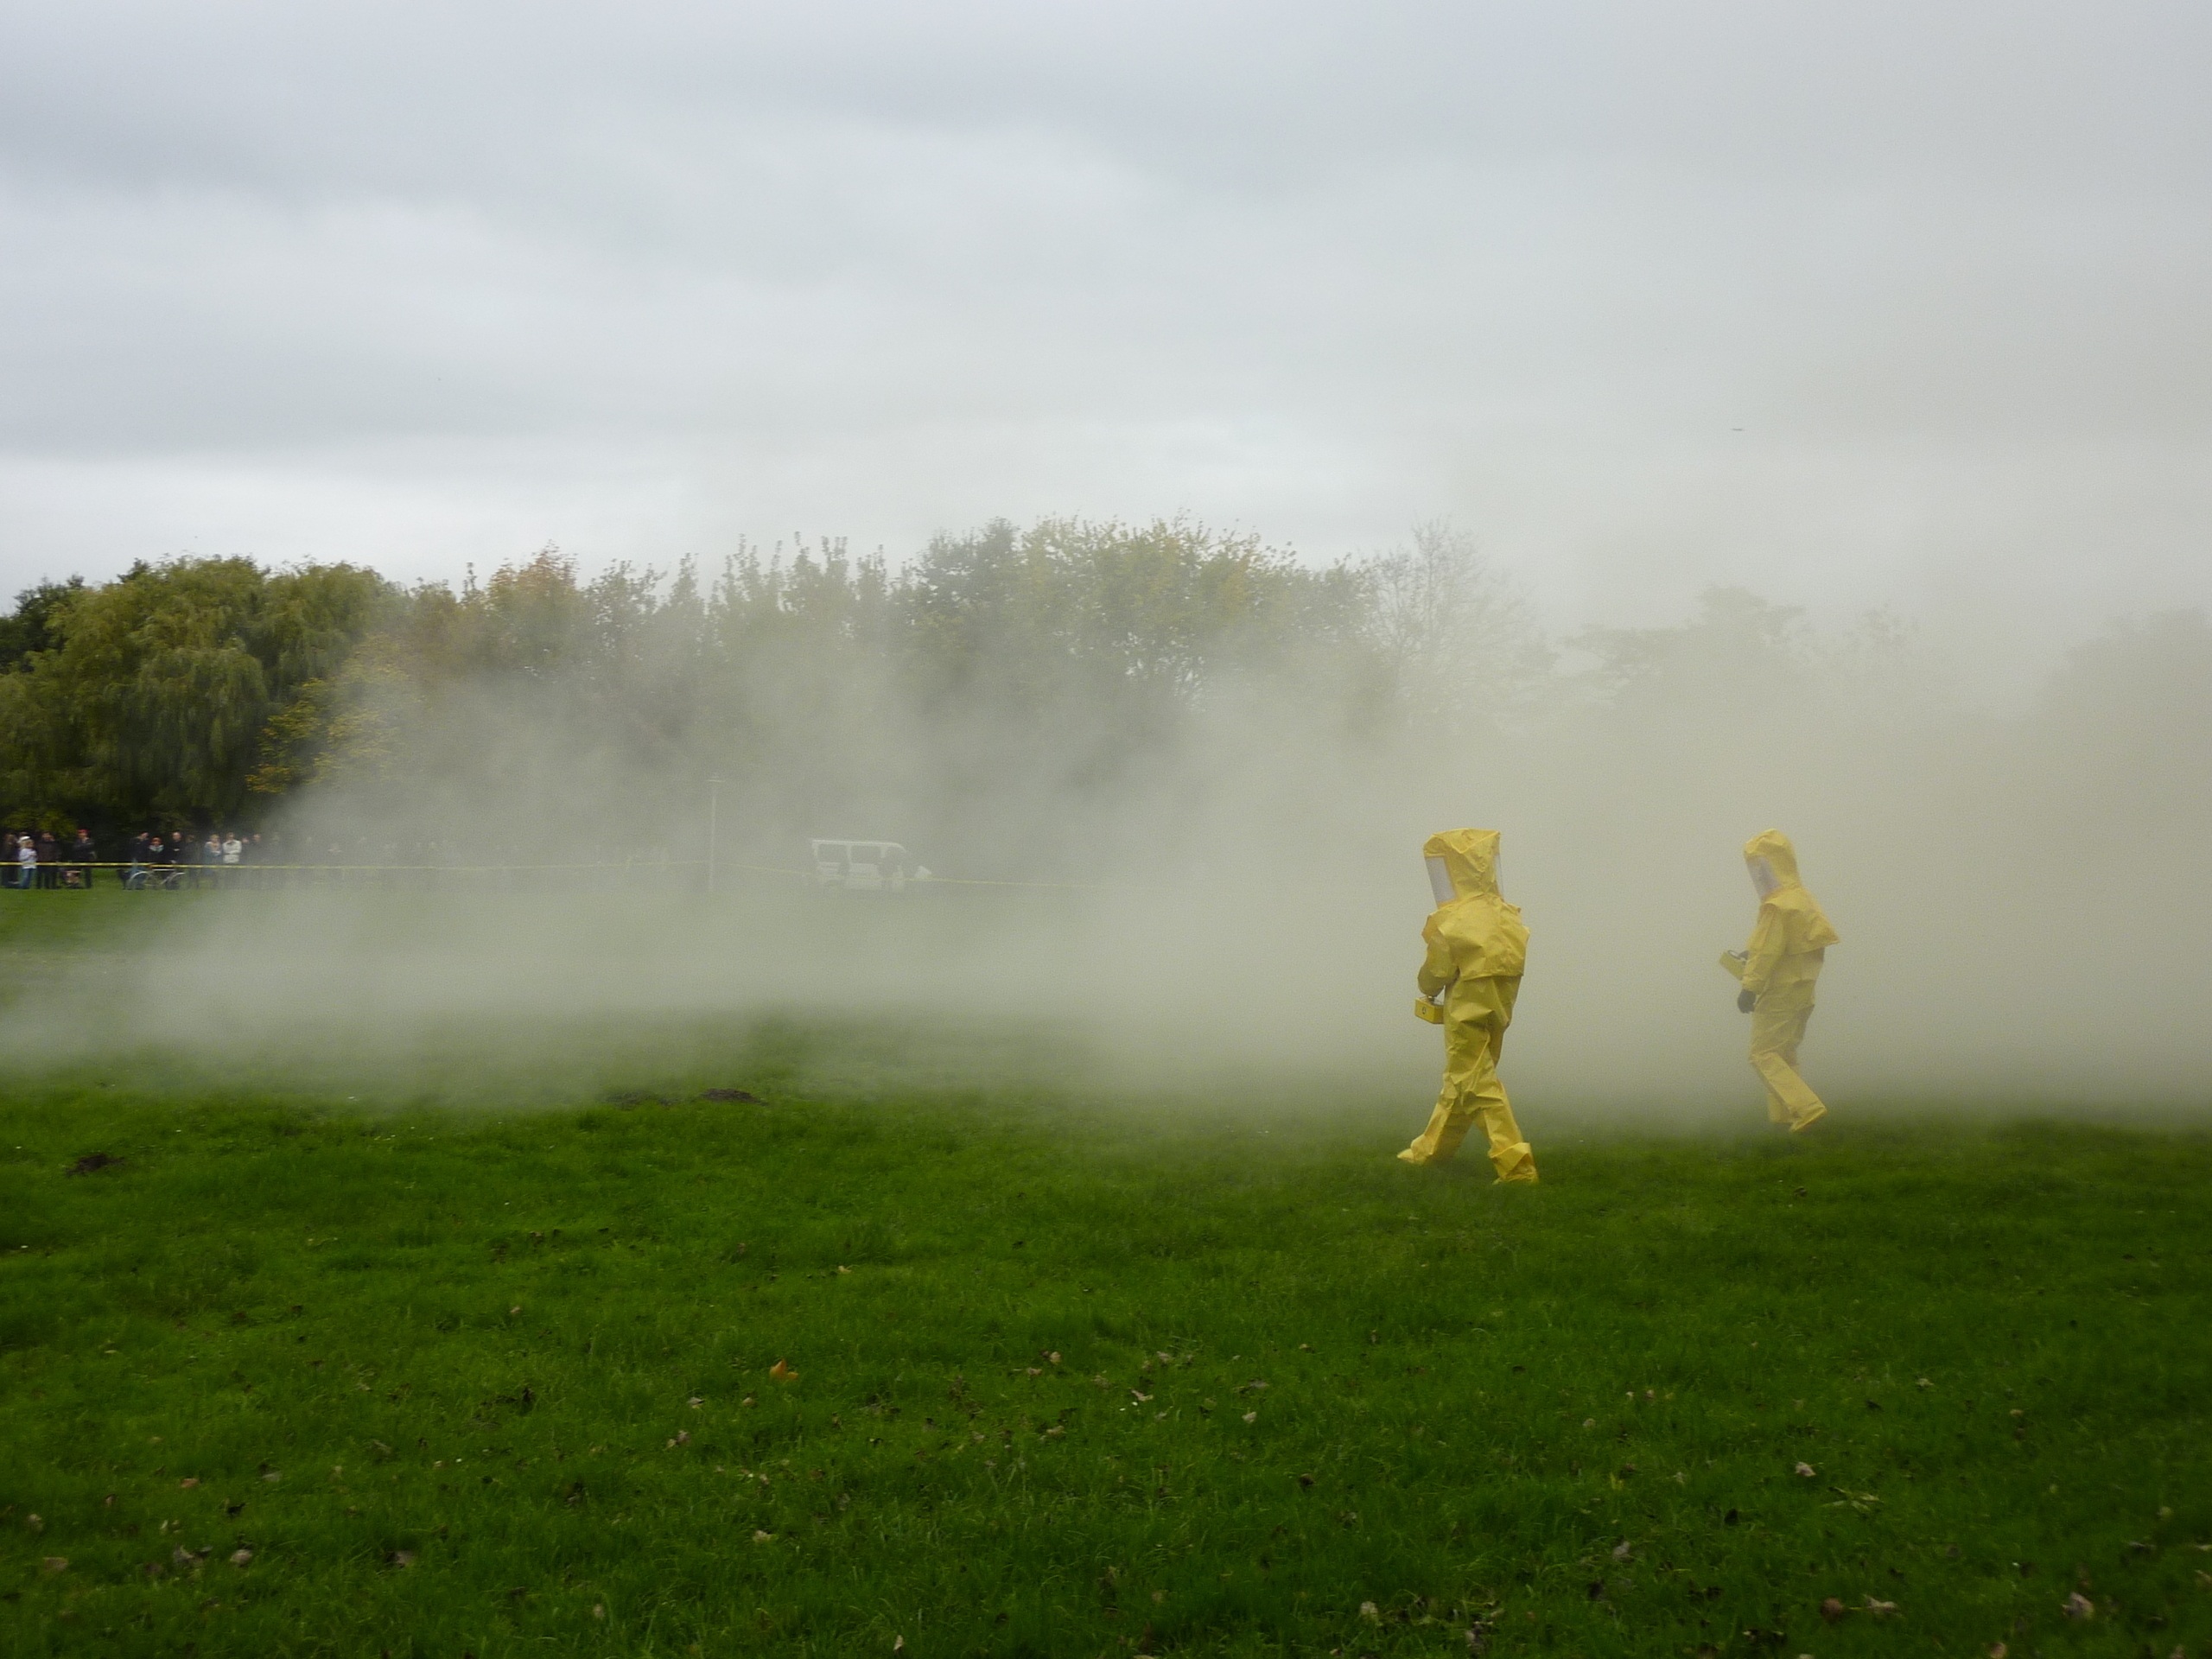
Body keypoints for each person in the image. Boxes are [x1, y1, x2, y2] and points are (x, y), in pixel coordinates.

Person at [1397, 828, 1538, 1182]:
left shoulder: (1453, 919)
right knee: (1464, 1077)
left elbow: (1436, 971)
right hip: (1500, 1007)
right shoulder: (1507, 915)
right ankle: (1431, 1150)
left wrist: (1426, 987)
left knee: (1475, 1082)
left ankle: (1516, 1165)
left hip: (1467, 1008)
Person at [1719, 829, 1839, 1134]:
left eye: (1760, 867)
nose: (1758, 875)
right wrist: (1756, 953)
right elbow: (1792, 943)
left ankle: (1806, 1108)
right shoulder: (1802, 899)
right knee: (1784, 1053)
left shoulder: (1776, 905)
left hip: (1781, 990)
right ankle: (1787, 1114)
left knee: (1762, 1054)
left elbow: (1766, 952)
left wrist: (1749, 988)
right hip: (1803, 988)